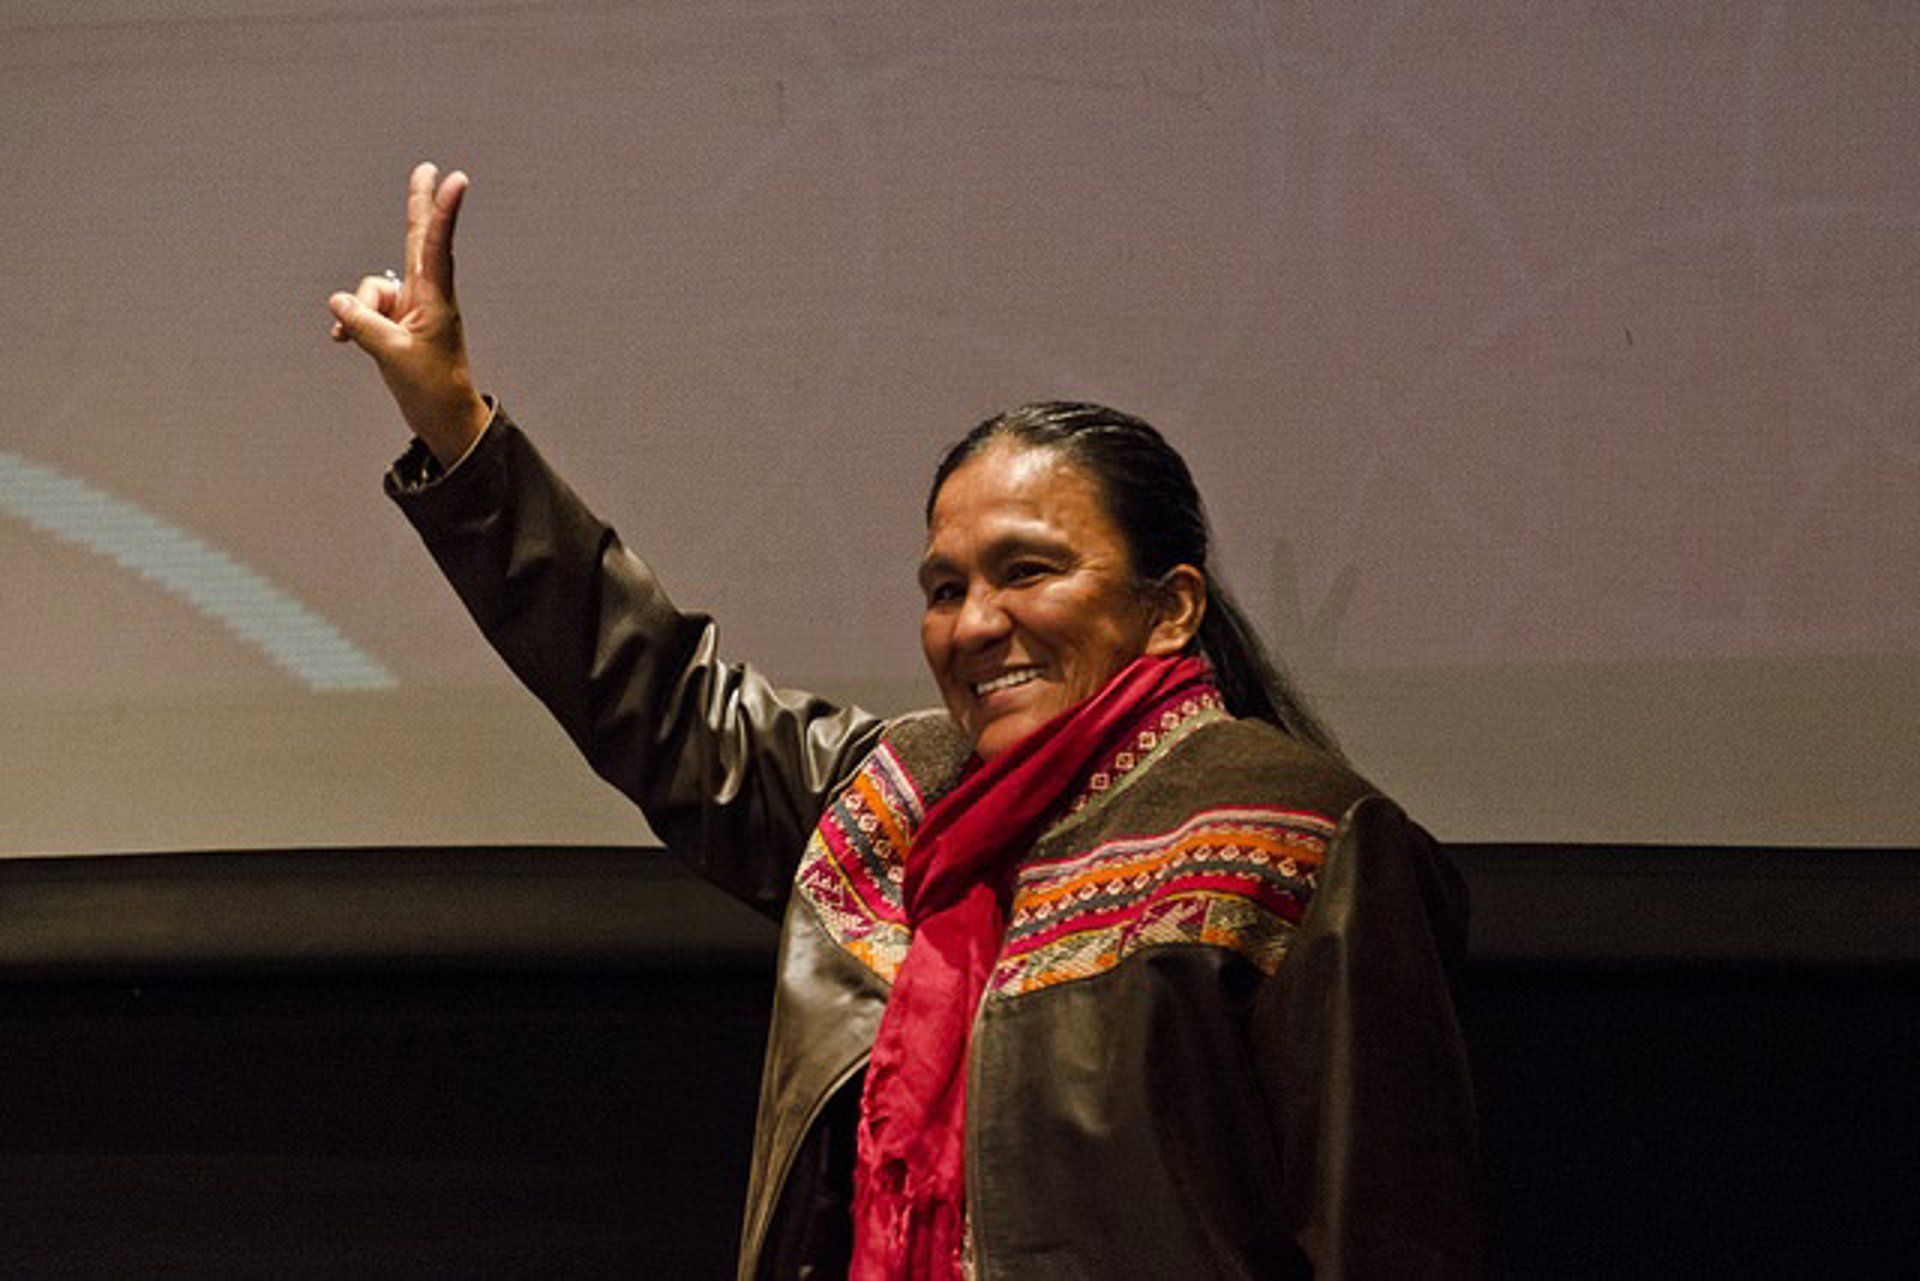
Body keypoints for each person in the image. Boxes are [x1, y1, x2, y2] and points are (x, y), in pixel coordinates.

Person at [330, 163, 1478, 1279]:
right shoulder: (893, 793)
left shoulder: (1303, 841)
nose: (977, 623)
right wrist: (456, 425)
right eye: (944, 588)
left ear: (1170, 606)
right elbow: (657, 691)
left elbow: (1384, 1239)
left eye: (1028, 571)